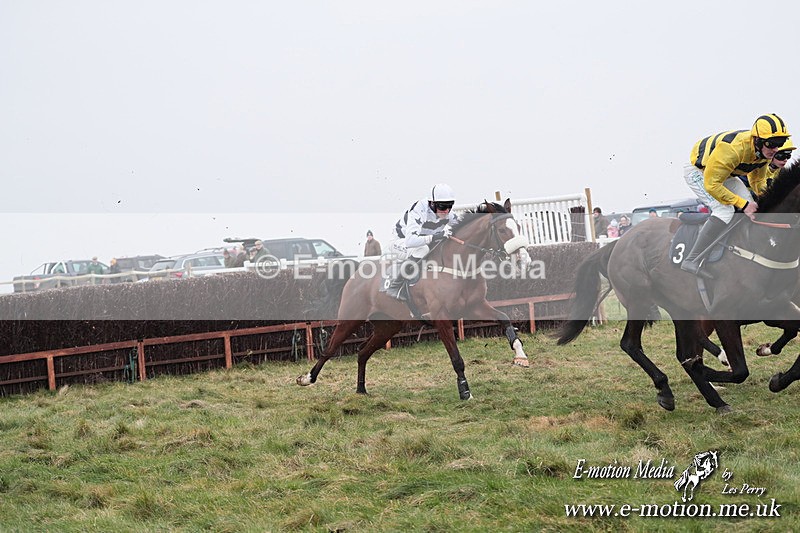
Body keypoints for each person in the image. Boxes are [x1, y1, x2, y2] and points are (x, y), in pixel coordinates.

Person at [681, 114, 791, 275]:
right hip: (700, 173)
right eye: (772, 144)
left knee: (752, 205)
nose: (776, 149)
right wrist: (744, 205)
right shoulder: (732, 149)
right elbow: (712, 185)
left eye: (779, 144)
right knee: (725, 210)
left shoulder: (764, 153)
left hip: (727, 175)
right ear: (758, 141)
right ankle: (692, 259)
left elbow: (757, 182)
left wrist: (769, 200)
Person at [385, 183, 460, 300]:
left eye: (450, 206)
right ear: (432, 203)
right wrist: (434, 237)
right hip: (401, 241)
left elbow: (463, 228)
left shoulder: (448, 213)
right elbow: (410, 241)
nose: (446, 211)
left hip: (421, 242)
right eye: (442, 206)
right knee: (423, 249)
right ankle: (395, 286)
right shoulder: (419, 210)